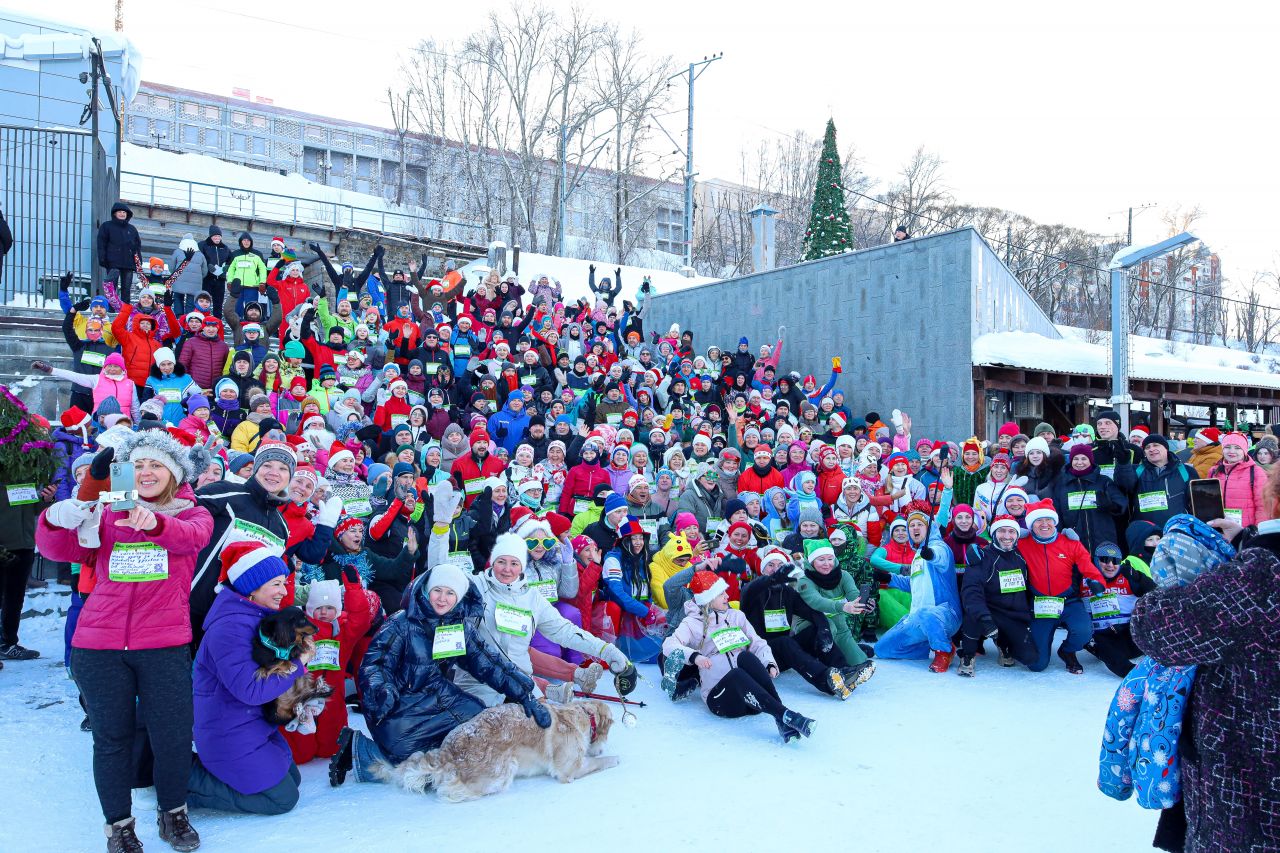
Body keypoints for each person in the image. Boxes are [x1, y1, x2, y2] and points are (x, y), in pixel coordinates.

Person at [37, 432, 211, 851]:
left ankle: (173, 814)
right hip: (99, 645)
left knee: (171, 735)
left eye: (156, 465)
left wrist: (154, 521)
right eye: (138, 465)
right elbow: (58, 549)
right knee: (111, 739)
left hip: (163, 644)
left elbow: (191, 539)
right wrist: (61, 515)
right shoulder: (108, 513)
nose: (146, 472)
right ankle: (119, 826)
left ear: (173, 474)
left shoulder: (193, 513)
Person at [1130, 478, 1280, 851]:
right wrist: (1248, 540)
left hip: (1251, 774)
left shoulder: (1263, 574)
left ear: (1273, 501)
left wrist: (1178, 574)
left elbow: (1156, 630)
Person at [328, 564, 550, 786]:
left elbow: (491, 664)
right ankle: (362, 751)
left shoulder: (459, 626)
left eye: (450, 593)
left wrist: (525, 694)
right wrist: (381, 691)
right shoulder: (401, 623)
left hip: (439, 695)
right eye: (438, 590)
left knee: (480, 728)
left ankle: (377, 756)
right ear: (426, 590)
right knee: (415, 757)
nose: (442, 598)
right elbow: (375, 665)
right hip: (398, 705)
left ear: (459, 596)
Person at [188, 541, 309, 815]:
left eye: (285, 583)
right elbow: (251, 690)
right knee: (283, 800)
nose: (284, 590)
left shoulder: (255, 616)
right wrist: (297, 664)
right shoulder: (229, 628)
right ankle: (189, 780)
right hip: (227, 730)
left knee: (294, 780)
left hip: (249, 724)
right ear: (252, 587)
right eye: (276, 583)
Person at [454, 531, 630, 705]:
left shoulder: (532, 597)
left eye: (514, 563)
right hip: (477, 684)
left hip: (520, 684)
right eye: (501, 562)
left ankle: (556, 684)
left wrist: (606, 650)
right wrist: (441, 526)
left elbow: (565, 631)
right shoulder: (475, 586)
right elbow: (440, 576)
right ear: (493, 563)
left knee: (542, 726)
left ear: (522, 566)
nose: (507, 569)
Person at [662, 570, 816, 743]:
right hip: (721, 700)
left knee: (746, 658)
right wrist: (694, 656)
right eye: (721, 594)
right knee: (736, 674)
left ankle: (782, 717)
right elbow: (668, 645)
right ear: (708, 599)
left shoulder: (736, 616)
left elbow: (757, 642)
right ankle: (787, 716)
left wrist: (769, 663)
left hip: (754, 700)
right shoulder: (692, 623)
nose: (727, 596)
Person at [1016, 498, 1106, 674]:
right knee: (1036, 665)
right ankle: (1035, 642)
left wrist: (1097, 581)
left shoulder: (1070, 542)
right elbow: (999, 545)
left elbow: (1088, 567)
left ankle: (1067, 651)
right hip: (1041, 605)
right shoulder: (1022, 543)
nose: (1044, 524)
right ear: (1031, 524)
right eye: (1038, 520)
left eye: (1048, 519)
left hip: (1069, 601)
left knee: (1084, 632)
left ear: (1054, 521)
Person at [873, 497, 962, 672]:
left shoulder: (939, 547)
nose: (915, 528)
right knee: (882, 649)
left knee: (926, 613)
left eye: (920, 525)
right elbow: (913, 584)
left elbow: (941, 559)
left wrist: (931, 555)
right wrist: (887, 578)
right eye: (911, 525)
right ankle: (923, 644)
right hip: (919, 616)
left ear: (929, 528)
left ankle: (944, 650)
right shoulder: (917, 555)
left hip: (944, 614)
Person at [957, 514, 1036, 676]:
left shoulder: (1022, 556)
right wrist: (985, 618)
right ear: (993, 534)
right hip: (987, 611)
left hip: (1012, 615)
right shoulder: (982, 556)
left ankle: (1003, 643)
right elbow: (971, 592)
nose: (1007, 536)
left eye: (1011, 532)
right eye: (1002, 531)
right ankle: (968, 654)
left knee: (1030, 657)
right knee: (972, 614)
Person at [1080, 541, 1154, 677]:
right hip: (1102, 636)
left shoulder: (1128, 575)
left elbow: (1157, 594)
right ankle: (1133, 674)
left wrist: (1140, 578)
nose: (1110, 565)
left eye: (1115, 560)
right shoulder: (1084, 579)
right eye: (1104, 560)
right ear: (1096, 560)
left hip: (1129, 633)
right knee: (1103, 644)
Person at [1211, 431, 1271, 527]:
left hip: (1244, 531)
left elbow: (1263, 506)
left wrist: (1258, 530)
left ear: (1244, 450)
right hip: (1218, 529)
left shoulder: (1256, 472)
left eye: (1237, 448)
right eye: (1227, 447)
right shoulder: (1214, 471)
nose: (1232, 451)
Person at [97, 202, 142, 303]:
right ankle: (111, 310)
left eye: (124, 212)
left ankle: (125, 312)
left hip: (128, 263)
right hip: (113, 263)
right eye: (120, 212)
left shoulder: (132, 229)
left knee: (126, 289)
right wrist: (102, 258)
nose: (122, 214)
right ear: (114, 214)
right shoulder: (106, 226)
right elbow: (101, 243)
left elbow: (137, 246)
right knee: (111, 288)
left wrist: (139, 262)